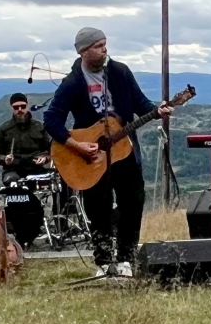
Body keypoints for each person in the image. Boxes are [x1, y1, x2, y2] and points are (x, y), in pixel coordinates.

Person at [43, 27, 171, 277]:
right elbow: (51, 119)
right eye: (98, 46)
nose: (104, 49)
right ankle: (103, 261)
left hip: (124, 150)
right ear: (83, 51)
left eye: (104, 44)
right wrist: (76, 145)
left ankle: (126, 259)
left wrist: (158, 110)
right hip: (90, 156)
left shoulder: (120, 72)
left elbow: (139, 103)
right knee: (97, 208)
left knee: (132, 202)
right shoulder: (73, 82)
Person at [0, 93, 53, 184]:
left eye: (23, 106)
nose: (20, 110)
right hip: (12, 171)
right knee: (13, 182)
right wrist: (5, 159)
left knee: (58, 180)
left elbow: (50, 151)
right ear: (11, 108)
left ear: (27, 106)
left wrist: (45, 158)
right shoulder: (4, 129)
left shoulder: (39, 127)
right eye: (16, 107)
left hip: (36, 169)